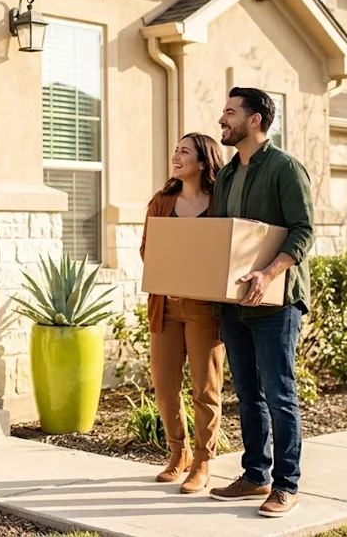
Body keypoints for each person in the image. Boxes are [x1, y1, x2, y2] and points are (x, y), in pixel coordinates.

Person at [207, 88, 314, 518]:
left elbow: (303, 231)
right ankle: (255, 475)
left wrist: (268, 273)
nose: (222, 119)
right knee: (249, 394)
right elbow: (221, 237)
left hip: (276, 303)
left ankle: (286, 485)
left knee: (279, 393)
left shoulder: (285, 168)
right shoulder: (228, 175)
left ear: (255, 120)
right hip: (233, 303)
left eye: (231, 113)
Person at [139, 133, 226, 494]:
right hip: (166, 306)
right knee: (165, 386)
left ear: (204, 162)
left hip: (205, 308)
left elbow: (227, 249)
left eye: (184, 151)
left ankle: (203, 462)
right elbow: (148, 249)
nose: (176, 155)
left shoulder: (220, 202)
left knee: (205, 388)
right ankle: (179, 454)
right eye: (175, 149)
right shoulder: (161, 202)